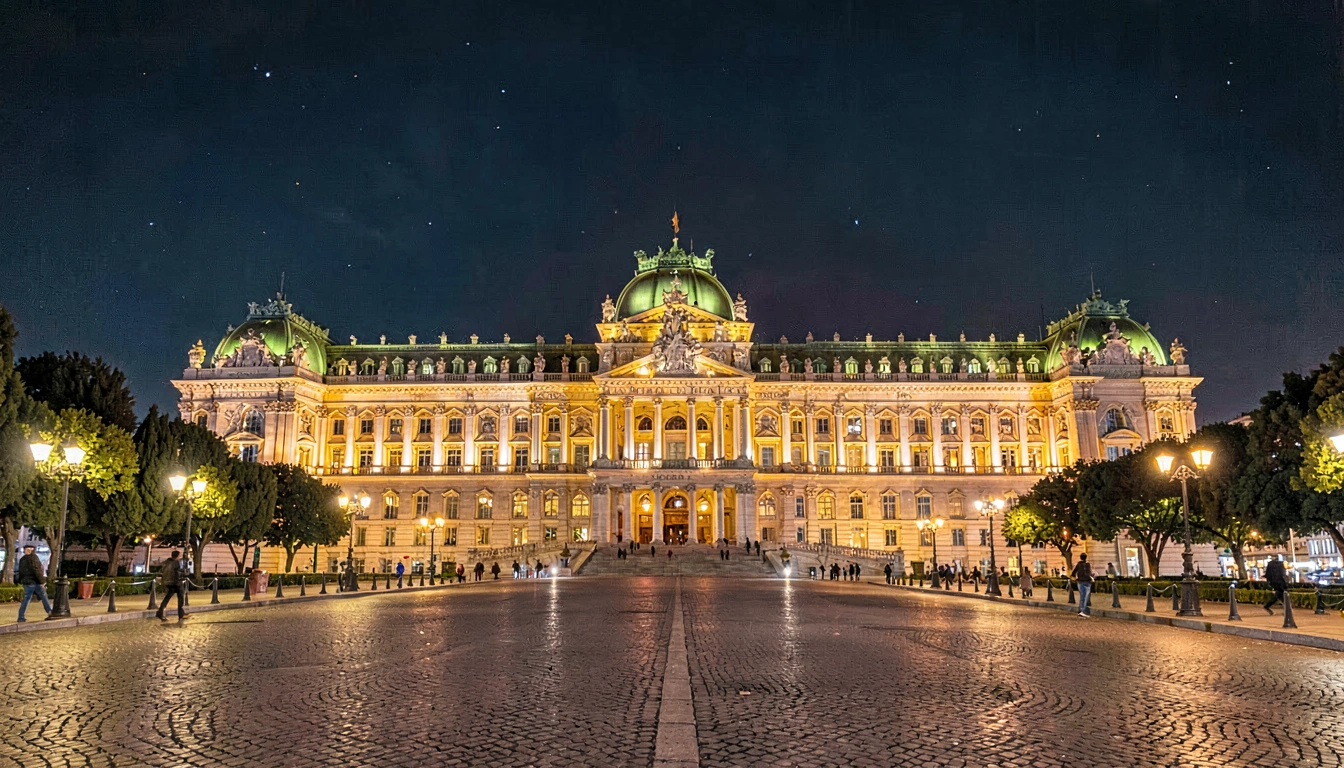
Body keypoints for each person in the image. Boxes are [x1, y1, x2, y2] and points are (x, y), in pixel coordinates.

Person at [15, 544, 51, 622]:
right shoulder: (34, 558)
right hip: (36, 582)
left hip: (27, 583)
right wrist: (42, 581)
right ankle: (50, 612)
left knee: (26, 599)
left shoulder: (22, 559)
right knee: (44, 597)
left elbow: (21, 572)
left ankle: (21, 616)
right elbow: (37, 570)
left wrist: (22, 581)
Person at [156, 550, 187, 621]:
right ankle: (180, 614)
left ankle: (160, 611)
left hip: (167, 582)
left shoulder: (165, 562)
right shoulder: (176, 563)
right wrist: (182, 577)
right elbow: (177, 573)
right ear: (177, 556)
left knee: (168, 596)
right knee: (181, 597)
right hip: (175, 582)